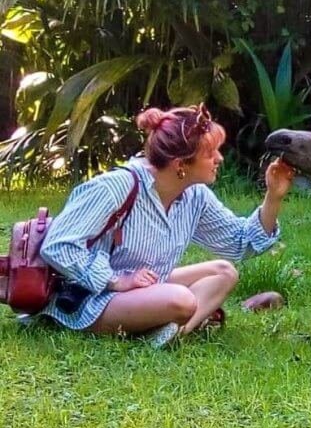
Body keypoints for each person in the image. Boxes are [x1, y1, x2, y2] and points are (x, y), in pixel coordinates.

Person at [38, 103, 294, 347]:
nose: (219, 159)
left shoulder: (195, 196)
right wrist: (115, 280)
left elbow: (241, 243)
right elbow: (58, 245)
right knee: (180, 300)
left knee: (224, 271)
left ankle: (171, 332)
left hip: (147, 288)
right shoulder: (116, 187)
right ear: (180, 164)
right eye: (210, 153)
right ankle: (173, 325)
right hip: (90, 299)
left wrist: (273, 196)